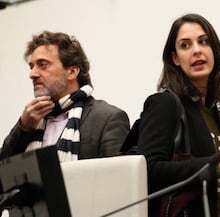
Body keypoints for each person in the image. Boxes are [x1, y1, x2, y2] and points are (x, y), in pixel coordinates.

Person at [134, 13, 220, 217]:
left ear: (214, 51)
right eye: (185, 45)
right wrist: (217, 163)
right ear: (175, 58)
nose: (197, 50)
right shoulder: (164, 103)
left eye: (203, 42)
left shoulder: (214, 112)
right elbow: (149, 171)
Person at [0, 31, 130, 162]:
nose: (32, 74)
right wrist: (23, 128)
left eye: (42, 64)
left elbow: (117, 178)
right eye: (31, 67)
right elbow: (4, 171)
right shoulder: (31, 121)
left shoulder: (107, 119)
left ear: (72, 72)